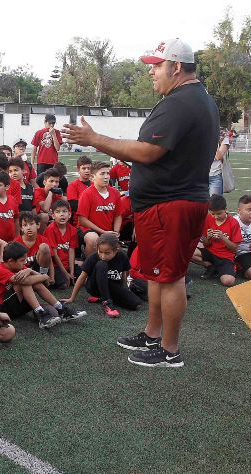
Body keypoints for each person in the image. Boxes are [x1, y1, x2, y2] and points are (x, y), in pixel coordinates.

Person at [62, 38, 219, 367]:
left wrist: (94, 140)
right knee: (159, 275)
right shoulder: (191, 98)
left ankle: (169, 350)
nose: (151, 72)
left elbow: (148, 151)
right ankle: (152, 334)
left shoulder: (181, 101)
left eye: (157, 65)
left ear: (176, 67)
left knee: (171, 276)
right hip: (166, 204)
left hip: (171, 205)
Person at [0, 241, 84, 329]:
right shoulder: (0, 270)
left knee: (33, 281)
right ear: (10, 261)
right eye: (22, 260)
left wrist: (30, 270)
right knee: (25, 282)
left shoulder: (19, 267)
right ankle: (41, 314)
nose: (24, 263)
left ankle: (61, 309)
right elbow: (28, 281)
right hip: (1, 309)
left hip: (16, 306)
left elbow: (38, 280)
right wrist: (45, 276)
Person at [62, 232, 142, 318]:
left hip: (112, 286)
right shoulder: (93, 257)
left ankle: (102, 298)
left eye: (107, 253)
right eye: (101, 252)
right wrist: (72, 298)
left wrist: (124, 291)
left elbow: (124, 276)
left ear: (116, 250)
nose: (103, 256)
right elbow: (82, 277)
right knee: (101, 264)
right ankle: (106, 302)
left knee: (136, 304)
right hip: (94, 287)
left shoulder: (122, 257)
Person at [191, 194, 242, 287]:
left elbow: (235, 249)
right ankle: (210, 266)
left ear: (226, 209)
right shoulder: (208, 218)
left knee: (228, 281)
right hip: (210, 252)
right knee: (187, 252)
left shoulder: (233, 223)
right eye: (212, 213)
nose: (215, 217)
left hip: (225, 257)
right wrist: (208, 238)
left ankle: (220, 268)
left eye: (219, 213)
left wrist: (223, 238)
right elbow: (206, 244)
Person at [76, 161, 122, 259]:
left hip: (107, 230)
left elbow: (118, 215)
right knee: (93, 239)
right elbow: (82, 220)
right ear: (92, 177)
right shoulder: (87, 194)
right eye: (102, 174)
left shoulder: (115, 193)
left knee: (118, 250)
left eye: (108, 173)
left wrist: (116, 232)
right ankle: (89, 266)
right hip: (89, 230)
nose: (106, 177)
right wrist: (103, 232)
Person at [44, 199, 82, 289]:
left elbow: (71, 252)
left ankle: (71, 275)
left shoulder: (72, 230)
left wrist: (71, 273)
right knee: (63, 285)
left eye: (64, 211)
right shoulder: (50, 229)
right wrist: (65, 273)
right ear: (53, 215)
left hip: (67, 264)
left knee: (83, 278)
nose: (62, 214)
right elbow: (54, 254)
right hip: (56, 266)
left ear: (69, 214)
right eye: (58, 212)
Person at [234, 194, 251, 279]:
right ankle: (242, 269)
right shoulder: (233, 222)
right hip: (242, 254)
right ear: (239, 210)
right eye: (249, 210)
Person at [66, 155, 93, 221]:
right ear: (78, 169)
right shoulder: (73, 186)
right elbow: (73, 206)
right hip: (79, 220)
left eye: (89, 168)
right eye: (84, 168)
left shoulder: (95, 184)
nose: (87, 171)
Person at [208, 130, 230, 196]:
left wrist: (211, 139)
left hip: (215, 176)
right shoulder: (201, 135)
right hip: (200, 177)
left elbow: (218, 156)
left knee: (214, 204)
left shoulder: (224, 138)